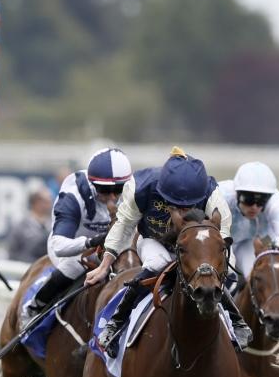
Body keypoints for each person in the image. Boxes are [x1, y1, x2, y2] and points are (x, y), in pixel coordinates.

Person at [86, 147, 248, 356]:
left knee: (214, 273)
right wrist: (104, 265)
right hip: (154, 241)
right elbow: (123, 225)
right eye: (175, 205)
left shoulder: (212, 194)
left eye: (188, 206)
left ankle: (237, 321)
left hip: (195, 248)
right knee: (157, 264)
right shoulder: (140, 187)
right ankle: (115, 323)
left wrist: (220, 266)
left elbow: (221, 236)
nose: (182, 211)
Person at [24, 148, 131, 318]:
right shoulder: (73, 196)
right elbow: (59, 246)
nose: (112, 197)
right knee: (74, 265)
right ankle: (34, 308)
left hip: (111, 245)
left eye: (118, 189)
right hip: (73, 246)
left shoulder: (132, 190)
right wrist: (92, 242)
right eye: (104, 190)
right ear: (93, 183)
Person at [218, 161, 279, 278]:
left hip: (259, 238)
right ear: (236, 193)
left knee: (260, 274)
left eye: (261, 201)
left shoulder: (277, 203)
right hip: (221, 240)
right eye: (248, 199)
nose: (254, 207)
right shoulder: (221, 195)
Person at [7, 191, 52, 263]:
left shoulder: (53, 226)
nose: (50, 205)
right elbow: (12, 254)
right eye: (46, 202)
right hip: (26, 266)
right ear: (36, 203)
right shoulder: (20, 227)